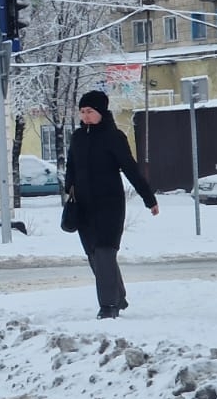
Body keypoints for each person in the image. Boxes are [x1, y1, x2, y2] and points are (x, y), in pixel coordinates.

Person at [65, 89, 160, 319]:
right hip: (84, 206)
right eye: (82, 112)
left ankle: (108, 306)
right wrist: (70, 191)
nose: (85, 116)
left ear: (101, 112)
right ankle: (118, 296)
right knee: (93, 254)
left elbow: (131, 169)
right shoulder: (77, 138)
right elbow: (71, 167)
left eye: (89, 111)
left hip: (109, 205)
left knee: (105, 252)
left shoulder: (114, 137)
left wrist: (149, 198)